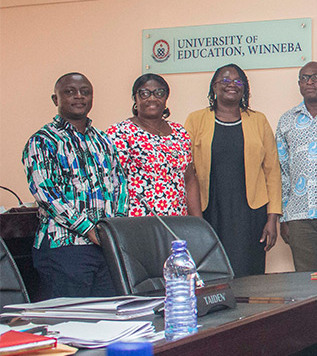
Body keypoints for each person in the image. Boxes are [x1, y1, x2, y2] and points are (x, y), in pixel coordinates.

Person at [22, 73, 127, 298]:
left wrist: (113, 227)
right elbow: (47, 195)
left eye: (85, 92)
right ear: (55, 99)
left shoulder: (103, 140)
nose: (79, 97)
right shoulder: (43, 140)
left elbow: (120, 185)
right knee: (68, 324)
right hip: (64, 248)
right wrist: (88, 229)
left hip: (106, 248)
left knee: (108, 321)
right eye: (70, 92)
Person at [184, 64, 282, 278]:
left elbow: (272, 172)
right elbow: (185, 168)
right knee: (211, 275)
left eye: (238, 81)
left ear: (245, 88)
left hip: (250, 214)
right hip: (209, 213)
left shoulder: (258, 120)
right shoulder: (195, 120)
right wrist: (192, 219)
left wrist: (272, 219)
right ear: (214, 87)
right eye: (225, 80)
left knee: (249, 275)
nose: (232, 85)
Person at [275, 61, 317, 272]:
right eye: (304, 78)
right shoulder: (286, 120)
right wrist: (283, 218)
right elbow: (282, 171)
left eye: (316, 77)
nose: (310, 82)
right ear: (299, 84)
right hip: (298, 216)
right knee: (306, 284)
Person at [107, 73, 201, 218]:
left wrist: (197, 222)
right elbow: (111, 183)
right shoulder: (120, 133)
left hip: (177, 222)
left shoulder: (180, 133)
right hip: (137, 223)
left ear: (166, 98)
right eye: (144, 93)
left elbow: (189, 180)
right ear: (135, 98)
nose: (152, 98)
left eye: (159, 93)